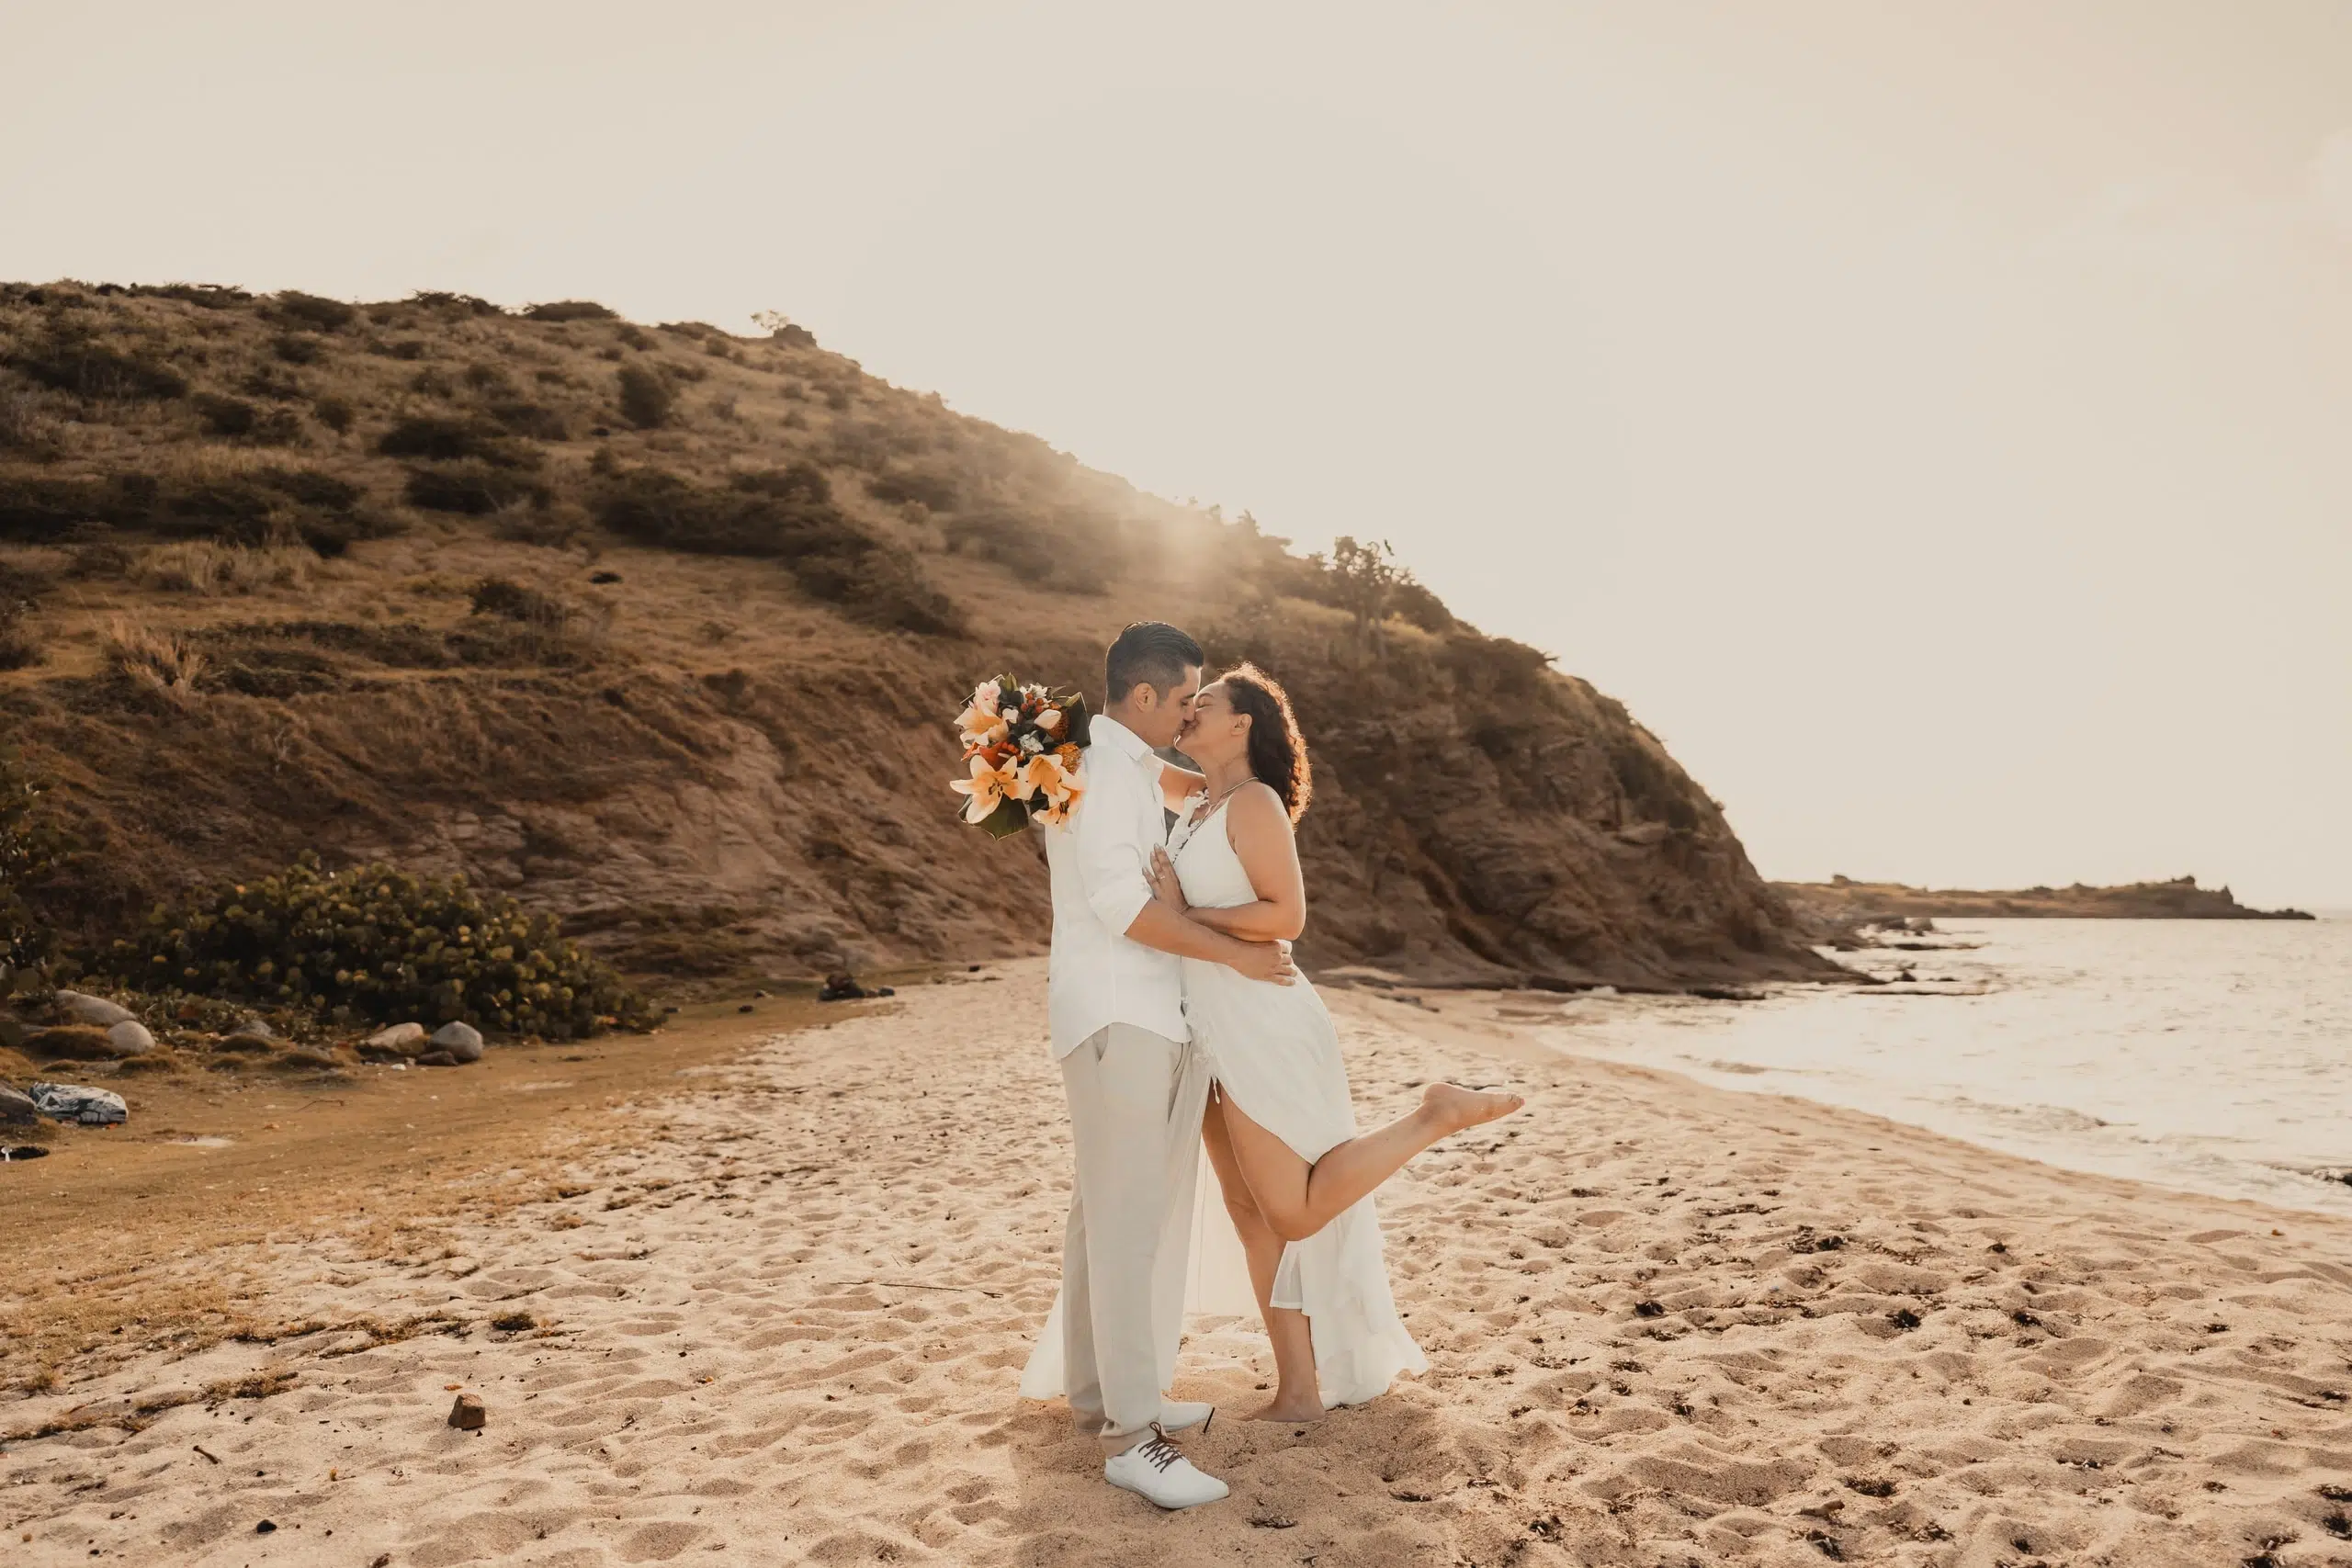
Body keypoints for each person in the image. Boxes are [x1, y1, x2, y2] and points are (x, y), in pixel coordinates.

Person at [1148, 663, 1524, 1420]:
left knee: (1290, 1211)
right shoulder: (1197, 800)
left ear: (1242, 723)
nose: (1188, 713)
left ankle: (1434, 1115)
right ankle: (1298, 1390)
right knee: (1246, 1208)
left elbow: (1285, 917)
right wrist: (1033, 742)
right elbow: (1122, 764)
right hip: (1207, 1023)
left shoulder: (1251, 803)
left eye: (1205, 704)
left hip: (1262, 1016)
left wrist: (1189, 915)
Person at [1016, 623, 1297, 1511]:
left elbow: (1201, 797)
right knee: (1127, 1225)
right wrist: (1233, 955)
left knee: (1102, 1219)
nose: (1189, 714)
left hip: (1140, 1017)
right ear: (1143, 697)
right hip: (1116, 1016)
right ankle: (1134, 1436)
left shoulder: (1124, 766)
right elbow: (1119, 905)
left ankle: (1103, 1398)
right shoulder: (1101, 773)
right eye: (1185, 699)